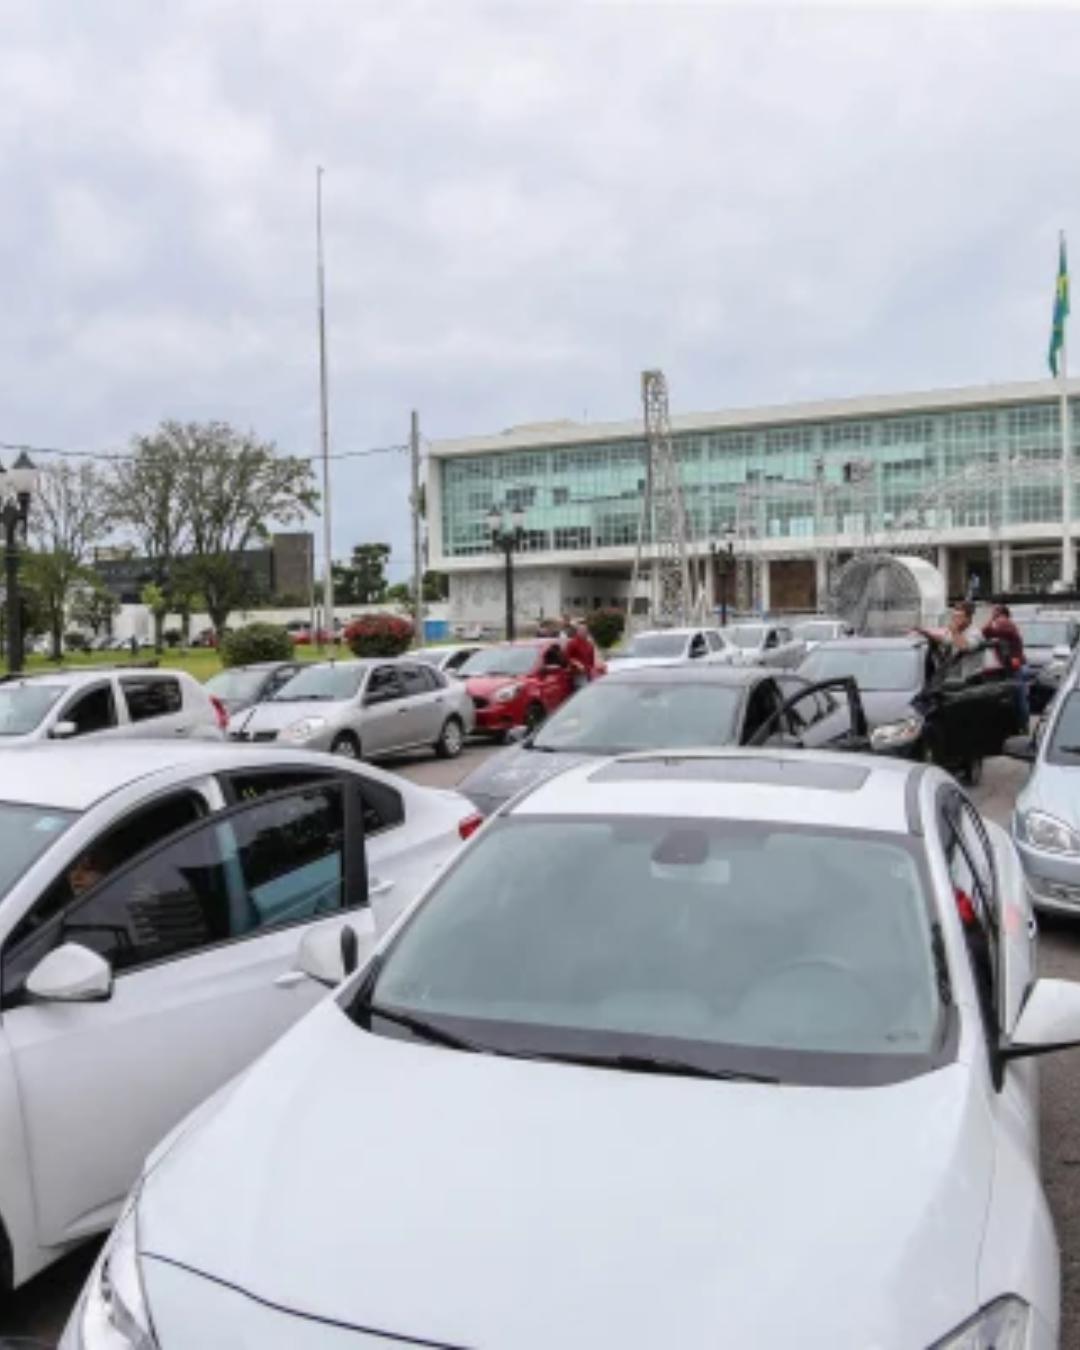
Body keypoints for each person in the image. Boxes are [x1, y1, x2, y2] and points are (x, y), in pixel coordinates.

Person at [983, 603, 1029, 730]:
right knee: (1014, 698)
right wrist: (992, 619)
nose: (995, 617)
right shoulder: (1002, 625)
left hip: (1016, 668)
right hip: (1009, 668)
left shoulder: (1006, 624)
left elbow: (986, 631)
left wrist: (993, 619)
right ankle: (1017, 725)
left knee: (1019, 698)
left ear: (1003, 614)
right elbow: (985, 632)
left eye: (996, 613)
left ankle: (1023, 726)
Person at [564, 621, 596, 690]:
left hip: (587, 673)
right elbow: (567, 657)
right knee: (583, 690)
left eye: (585, 630)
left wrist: (591, 669)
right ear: (577, 631)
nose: (584, 632)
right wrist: (575, 663)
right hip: (577, 674)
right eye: (581, 630)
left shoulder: (589, 644)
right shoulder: (572, 643)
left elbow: (591, 660)